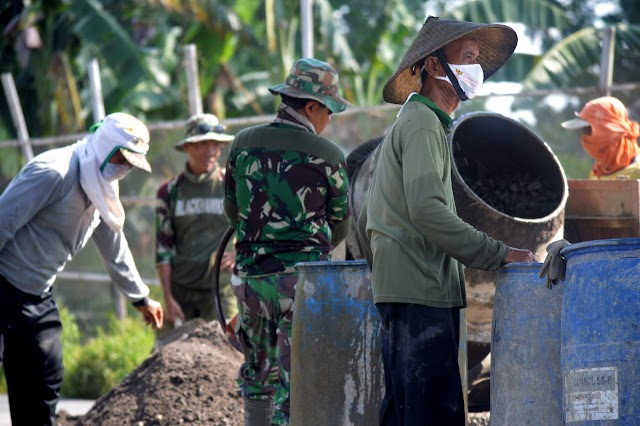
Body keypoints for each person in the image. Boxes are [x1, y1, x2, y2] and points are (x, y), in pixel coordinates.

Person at [356, 16, 536, 425]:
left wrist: (389, 272)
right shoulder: (422, 124)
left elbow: (367, 217)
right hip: (420, 293)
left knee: (405, 411)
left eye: (477, 60)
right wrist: (499, 253)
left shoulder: (418, 124)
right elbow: (429, 211)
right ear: (434, 67)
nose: (476, 68)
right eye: (467, 57)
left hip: (407, 289)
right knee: (429, 413)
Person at [0, 112, 163, 426]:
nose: (124, 168)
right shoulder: (53, 172)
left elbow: (114, 246)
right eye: (121, 158)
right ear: (105, 145)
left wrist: (141, 297)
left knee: (44, 375)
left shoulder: (100, 186)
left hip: (36, 294)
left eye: (130, 163)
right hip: (3, 283)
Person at [223, 57, 352, 425]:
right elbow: (340, 224)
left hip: (251, 282)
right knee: (296, 380)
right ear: (311, 106)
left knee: (258, 374)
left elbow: (232, 213)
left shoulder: (242, 144)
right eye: (328, 110)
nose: (329, 120)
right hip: (302, 284)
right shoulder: (328, 155)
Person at [155, 113, 237, 329]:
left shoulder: (232, 184)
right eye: (202, 144)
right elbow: (163, 248)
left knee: (230, 349)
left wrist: (239, 253)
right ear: (187, 148)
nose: (210, 151)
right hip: (181, 290)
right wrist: (168, 297)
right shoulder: (170, 191)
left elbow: (255, 226)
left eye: (215, 145)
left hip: (221, 290)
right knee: (169, 354)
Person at [561, 96, 640, 179]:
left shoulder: (637, 170)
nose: (585, 139)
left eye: (588, 130)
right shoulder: (596, 173)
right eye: (583, 131)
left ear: (609, 130)